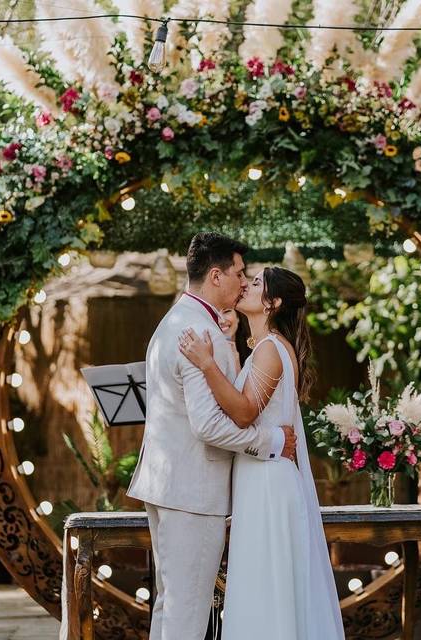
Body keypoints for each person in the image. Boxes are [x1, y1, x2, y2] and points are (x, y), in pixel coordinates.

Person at [126, 233, 298, 640]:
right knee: (188, 610)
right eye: (239, 273)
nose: (244, 282)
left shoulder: (176, 321)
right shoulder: (199, 332)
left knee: (171, 606)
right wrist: (271, 440)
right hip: (193, 490)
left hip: (170, 484)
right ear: (216, 275)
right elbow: (207, 426)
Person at [178, 266, 345, 639]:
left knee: (268, 584)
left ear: (272, 303)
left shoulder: (271, 349)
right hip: (260, 476)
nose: (246, 287)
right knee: (262, 581)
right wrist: (229, 345)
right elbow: (247, 395)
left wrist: (205, 364)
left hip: (269, 483)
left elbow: (243, 411)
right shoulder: (263, 348)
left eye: (256, 285)